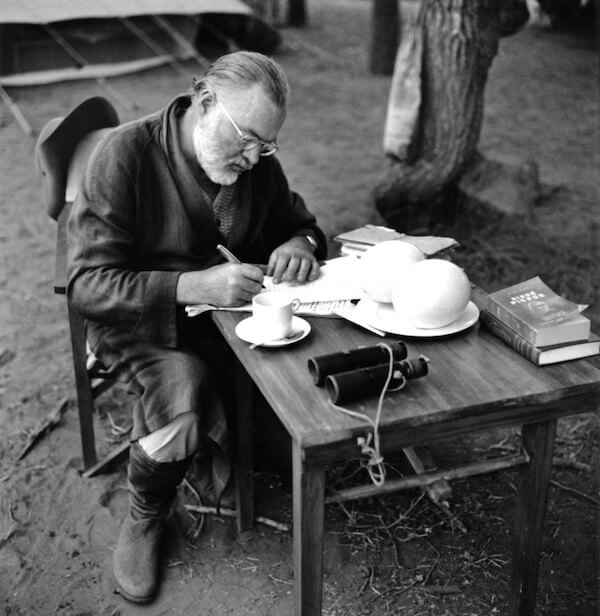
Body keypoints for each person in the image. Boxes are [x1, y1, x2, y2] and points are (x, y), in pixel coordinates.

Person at [66, 51, 327, 604]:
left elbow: (301, 223)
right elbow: (89, 286)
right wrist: (192, 286)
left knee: (295, 382)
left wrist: (297, 245)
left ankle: (250, 431)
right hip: (138, 321)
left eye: (268, 145)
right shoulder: (125, 155)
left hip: (228, 321)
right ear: (205, 101)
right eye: (248, 138)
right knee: (184, 385)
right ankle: (145, 513)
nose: (255, 158)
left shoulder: (257, 164)